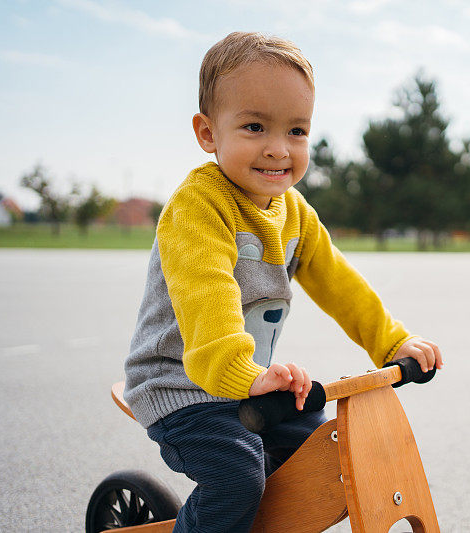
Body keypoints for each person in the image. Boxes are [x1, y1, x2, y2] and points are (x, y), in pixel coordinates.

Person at [123, 31, 444, 532]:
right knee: (236, 476)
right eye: (255, 126)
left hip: (249, 384)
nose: (278, 149)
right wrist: (243, 373)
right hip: (181, 384)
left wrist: (393, 342)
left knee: (322, 452)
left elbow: (341, 283)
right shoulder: (199, 207)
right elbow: (208, 293)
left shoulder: (295, 213)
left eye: (297, 131)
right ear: (208, 133)